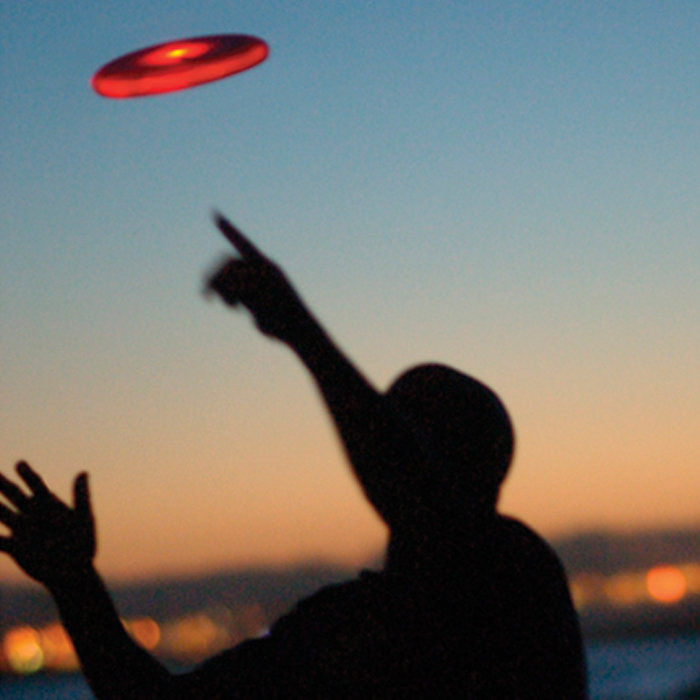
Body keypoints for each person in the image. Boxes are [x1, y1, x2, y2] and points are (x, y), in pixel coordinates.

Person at [0, 214, 587, 697]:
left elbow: (422, 501)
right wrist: (75, 584)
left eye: (402, 424)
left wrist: (299, 330)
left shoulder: (516, 575)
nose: (375, 429)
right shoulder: (337, 627)